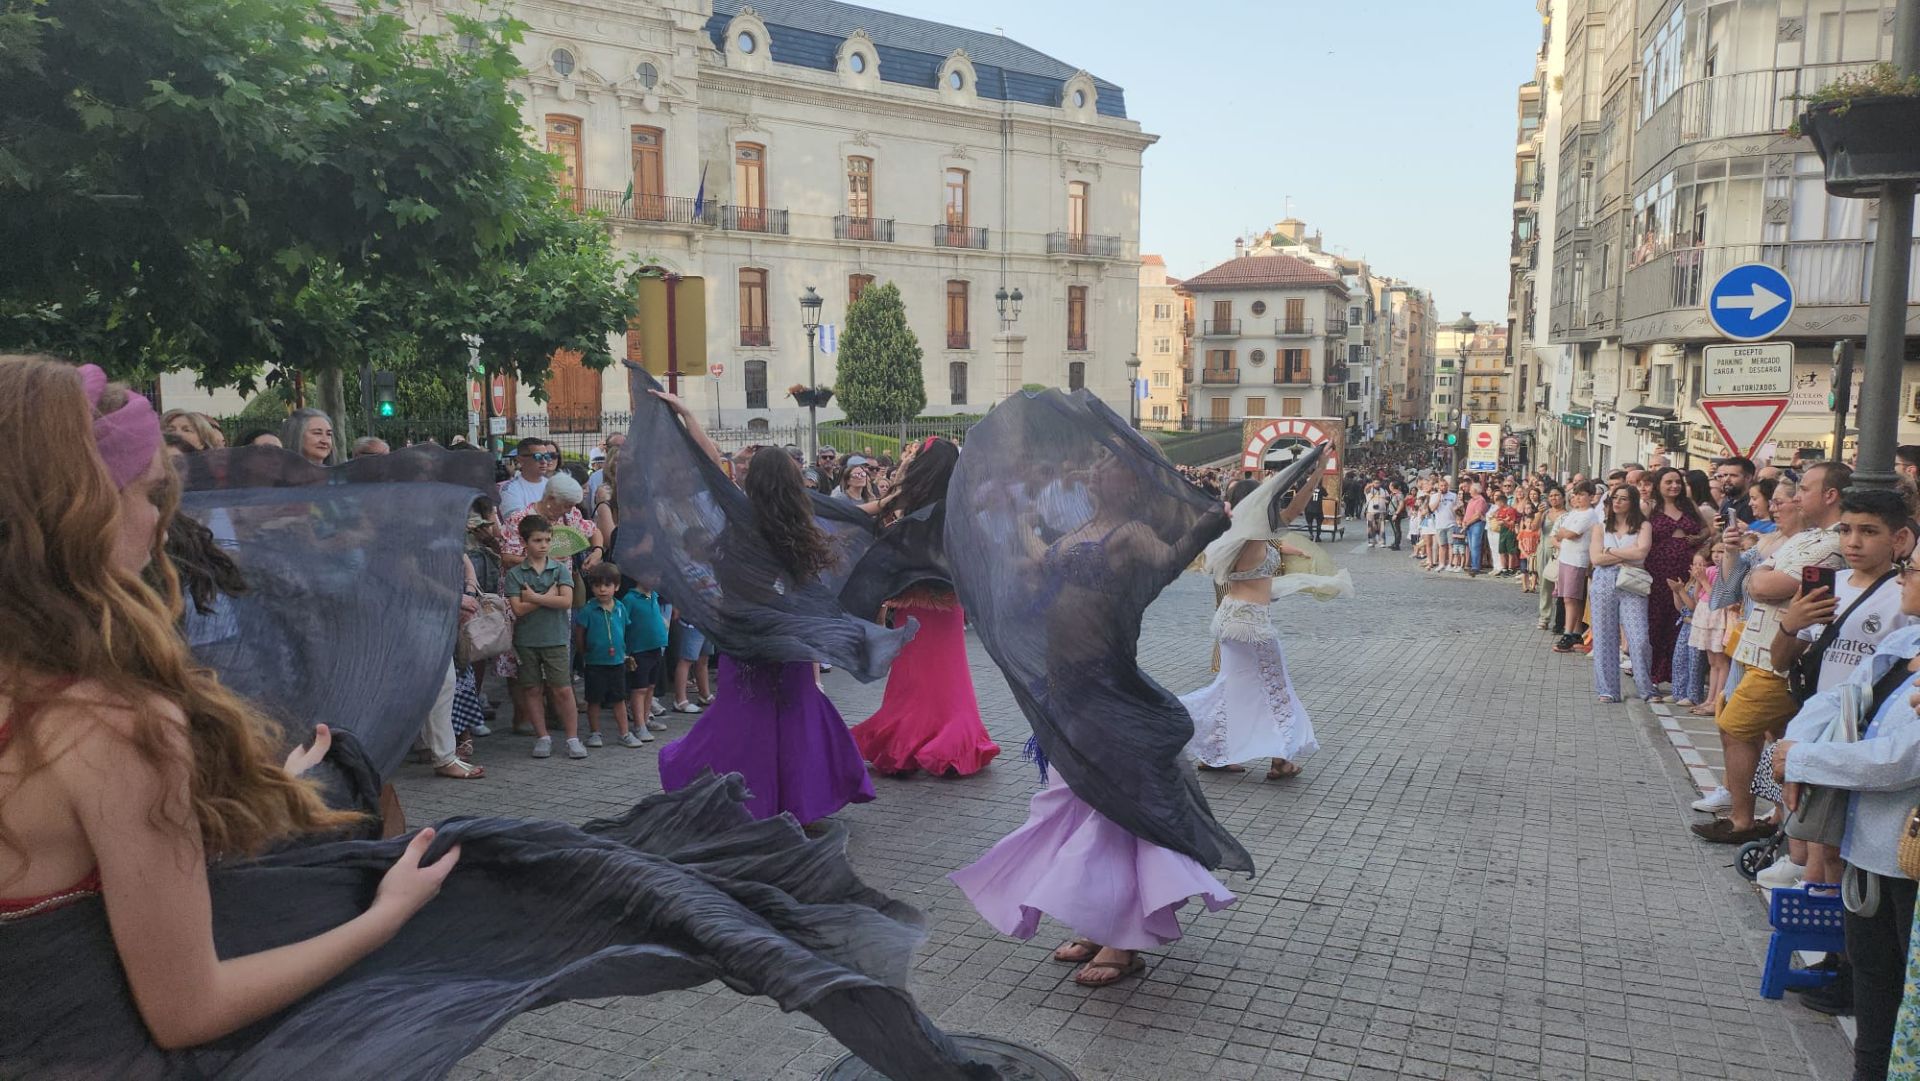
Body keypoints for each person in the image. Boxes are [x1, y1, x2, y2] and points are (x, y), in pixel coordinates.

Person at [0, 358, 457, 1052]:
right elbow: (189, 1008)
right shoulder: (114, 728)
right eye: (154, 494)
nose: (162, 526)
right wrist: (382, 918)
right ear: (82, 508)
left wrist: (252, 802)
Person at [652, 391, 876, 824]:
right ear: (794, 483)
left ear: (752, 481)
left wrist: (687, 413)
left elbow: (709, 467)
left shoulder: (739, 515)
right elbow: (862, 515)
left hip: (745, 636)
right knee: (795, 716)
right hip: (789, 639)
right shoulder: (804, 523)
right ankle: (800, 799)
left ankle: (747, 799)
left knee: (743, 717)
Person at [1773, 562, 1920, 1081]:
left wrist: (1804, 761)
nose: (1905, 578)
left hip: (1909, 853)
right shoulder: (1907, 643)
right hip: (1867, 844)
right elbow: (1838, 696)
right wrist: (1795, 746)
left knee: (1908, 989)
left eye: (1916, 570)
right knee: (1874, 979)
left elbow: (1901, 759)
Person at [1761, 487, 1915, 893]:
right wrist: (1791, 623)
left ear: (1897, 539)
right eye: (1846, 530)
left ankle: (1834, 932)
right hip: (1821, 724)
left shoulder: (1904, 597)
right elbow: (1781, 661)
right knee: (1813, 841)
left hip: (1864, 738)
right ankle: (1818, 918)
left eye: (1868, 532)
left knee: (1837, 850)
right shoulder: (1834, 584)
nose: (1853, 542)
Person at [1695, 462, 1848, 844]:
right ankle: (1780, 818)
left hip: (1782, 658)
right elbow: (1739, 587)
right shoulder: (1794, 540)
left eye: (1799, 493)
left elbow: (1769, 587)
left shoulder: (1830, 544)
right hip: (1756, 646)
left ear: (1829, 496)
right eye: (1779, 499)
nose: (1789, 502)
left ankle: (1743, 819)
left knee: (1736, 726)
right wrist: (1742, 561)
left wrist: (1759, 577)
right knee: (1774, 733)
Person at [848, 438, 1000, 778]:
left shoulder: (908, 501)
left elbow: (862, 514)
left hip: (913, 602)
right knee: (948, 671)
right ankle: (952, 735)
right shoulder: (963, 503)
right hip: (947, 603)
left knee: (912, 674)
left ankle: (908, 737)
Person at [1178, 475, 1336, 780]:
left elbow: (1290, 512)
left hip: (1231, 618)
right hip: (1250, 623)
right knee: (1277, 688)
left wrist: (1315, 474)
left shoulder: (1231, 531)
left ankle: (1216, 755)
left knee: (1231, 687)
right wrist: (1315, 474)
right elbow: (1291, 511)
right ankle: (1280, 760)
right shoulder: (1252, 533)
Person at [504, 514, 584, 760]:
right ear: (524, 542)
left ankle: (572, 738)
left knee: (562, 689)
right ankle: (543, 736)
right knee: (531, 689)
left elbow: (566, 601)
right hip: (527, 639)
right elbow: (517, 609)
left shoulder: (560, 569)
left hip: (556, 637)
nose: (543, 545)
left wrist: (535, 598)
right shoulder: (516, 574)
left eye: (547, 540)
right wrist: (548, 596)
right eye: (538, 540)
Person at [1645, 467, 1710, 695]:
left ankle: (1677, 676)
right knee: (1656, 620)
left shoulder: (1688, 506)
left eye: (1677, 482)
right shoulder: (1651, 507)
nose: (1674, 486)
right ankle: (1651, 673)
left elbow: (1706, 530)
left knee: (1681, 620)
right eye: (1668, 482)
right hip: (1658, 569)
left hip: (1686, 568)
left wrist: (1698, 539)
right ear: (1658, 484)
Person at [1590, 485, 1655, 703]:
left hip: (1632, 582)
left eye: (1623, 499)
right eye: (1614, 498)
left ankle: (1647, 688)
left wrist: (1609, 552)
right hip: (1603, 581)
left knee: (1639, 638)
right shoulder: (1600, 528)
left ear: (1632, 502)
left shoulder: (1643, 526)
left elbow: (1641, 553)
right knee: (1604, 637)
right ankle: (1607, 689)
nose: (1617, 502)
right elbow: (1596, 560)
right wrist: (1625, 555)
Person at [573, 562, 638, 749]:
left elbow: (625, 629)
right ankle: (594, 733)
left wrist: (625, 652)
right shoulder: (587, 610)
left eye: (607, 585)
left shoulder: (620, 608)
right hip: (595, 662)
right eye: (597, 585)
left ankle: (624, 733)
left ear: (616, 586)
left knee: (619, 698)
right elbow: (580, 634)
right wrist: (584, 652)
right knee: (594, 699)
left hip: (617, 661)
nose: (602, 589)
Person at [1552, 481, 1600, 654]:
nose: (1578, 498)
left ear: (1591, 497)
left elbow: (1571, 534)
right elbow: (1561, 531)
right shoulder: (1574, 512)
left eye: (1582, 495)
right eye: (1576, 494)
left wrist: (1565, 534)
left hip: (1577, 560)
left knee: (1571, 599)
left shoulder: (1589, 514)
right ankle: (1576, 631)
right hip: (1566, 558)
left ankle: (1569, 632)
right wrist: (1564, 533)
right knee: (1568, 597)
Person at [498, 437, 553, 518]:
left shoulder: (552, 485)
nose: (544, 461)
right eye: (537, 456)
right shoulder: (510, 489)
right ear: (520, 460)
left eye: (546, 456)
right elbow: (516, 522)